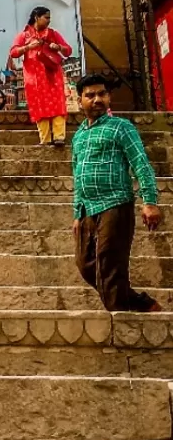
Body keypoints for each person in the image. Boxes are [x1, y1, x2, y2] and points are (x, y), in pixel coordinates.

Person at [72, 72, 163, 313]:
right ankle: (140, 303)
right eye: (89, 95)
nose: (96, 99)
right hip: (87, 208)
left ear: (109, 97)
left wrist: (150, 201)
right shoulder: (79, 135)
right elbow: (77, 173)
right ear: (79, 100)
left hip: (115, 204)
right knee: (85, 264)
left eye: (102, 94)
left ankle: (121, 323)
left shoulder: (121, 128)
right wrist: (76, 213)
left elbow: (141, 164)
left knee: (110, 265)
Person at [9, 6, 73, 145]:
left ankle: (59, 137)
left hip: (53, 76)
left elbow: (68, 50)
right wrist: (28, 47)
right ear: (37, 17)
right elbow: (13, 53)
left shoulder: (53, 34)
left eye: (49, 18)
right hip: (34, 79)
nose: (49, 20)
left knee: (57, 104)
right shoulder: (24, 35)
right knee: (39, 106)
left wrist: (59, 47)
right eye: (46, 17)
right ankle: (45, 140)